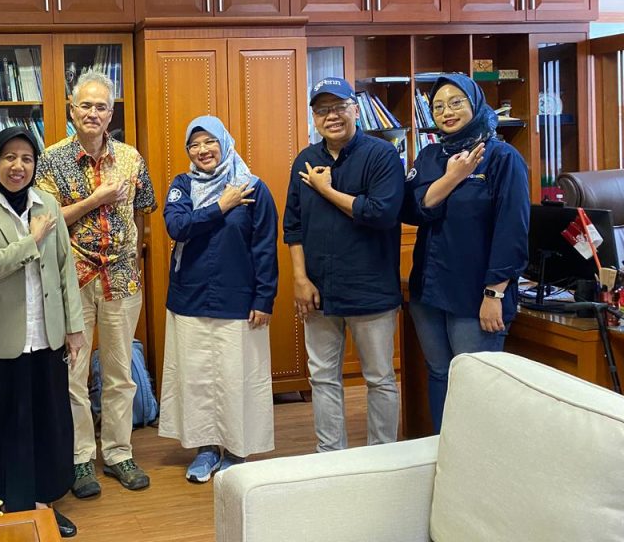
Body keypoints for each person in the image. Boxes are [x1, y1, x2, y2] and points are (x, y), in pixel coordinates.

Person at [0, 127, 85, 538]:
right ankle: (9, 510)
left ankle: (43, 505)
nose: (18, 166)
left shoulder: (48, 205)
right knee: (0, 426)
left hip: (44, 336)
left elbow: (65, 269)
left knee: (47, 424)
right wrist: (31, 239)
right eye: (9, 157)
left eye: (27, 158)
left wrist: (74, 328)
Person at [35, 71, 157, 497]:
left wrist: (131, 251)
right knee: (74, 374)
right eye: (85, 105)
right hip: (73, 279)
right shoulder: (51, 159)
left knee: (121, 374)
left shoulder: (130, 157)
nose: (92, 113)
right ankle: (81, 458)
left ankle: (120, 453)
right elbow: (46, 221)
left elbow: (145, 208)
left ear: (110, 113)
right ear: (72, 110)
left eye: (101, 106)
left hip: (122, 279)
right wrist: (96, 199)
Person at [402, 73, 529, 433]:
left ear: (474, 103)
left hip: (475, 293)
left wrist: (494, 293)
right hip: (429, 290)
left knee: (476, 384)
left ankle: (478, 459)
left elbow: (512, 230)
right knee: (439, 373)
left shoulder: (502, 158)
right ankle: (444, 450)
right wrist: (453, 177)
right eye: (438, 106)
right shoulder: (430, 155)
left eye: (456, 102)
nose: (447, 112)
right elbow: (411, 209)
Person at [284, 77, 404, 452]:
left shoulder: (382, 155)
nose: (331, 116)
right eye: (322, 110)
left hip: (371, 289)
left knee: (379, 377)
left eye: (339, 107)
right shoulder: (305, 160)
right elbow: (293, 226)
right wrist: (300, 278)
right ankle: (330, 456)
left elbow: (381, 213)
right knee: (322, 378)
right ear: (314, 117)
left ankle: (382, 456)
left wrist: (327, 190)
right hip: (319, 290)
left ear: (355, 109)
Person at [159, 115, 278, 482]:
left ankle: (237, 450)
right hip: (190, 299)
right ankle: (206, 449)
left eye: (209, 141)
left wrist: (264, 298)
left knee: (236, 378)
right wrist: (221, 206)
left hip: (238, 301)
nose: (202, 150)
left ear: (224, 142)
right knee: (197, 380)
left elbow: (265, 247)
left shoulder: (252, 188)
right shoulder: (182, 186)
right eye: (194, 145)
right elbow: (177, 226)